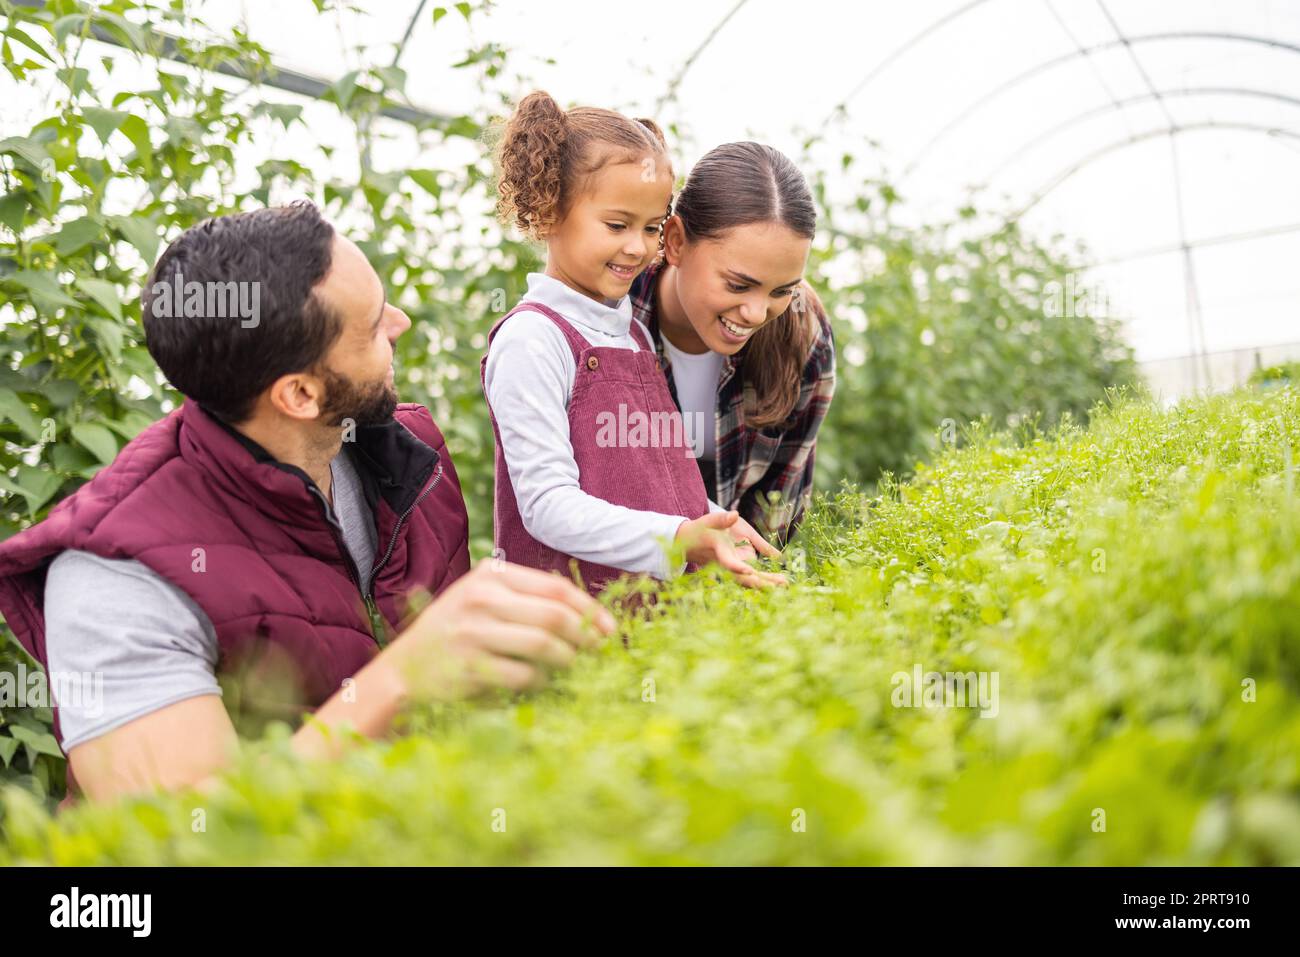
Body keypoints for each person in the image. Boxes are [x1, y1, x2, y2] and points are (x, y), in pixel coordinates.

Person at [0, 201, 614, 804]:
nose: (399, 323)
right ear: (298, 393)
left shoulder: (402, 455)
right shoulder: (116, 576)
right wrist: (401, 677)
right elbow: (175, 837)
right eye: (372, 325)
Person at [482, 91, 786, 595]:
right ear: (549, 208)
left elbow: (659, 477)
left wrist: (713, 522)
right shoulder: (533, 339)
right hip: (567, 615)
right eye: (617, 225)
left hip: (649, 618)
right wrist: (678, 537)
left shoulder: (634, 335)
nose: (638, 248)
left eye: (651, 228)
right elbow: (547, 506)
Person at [628, 142, 837, 545]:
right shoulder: (612, 316)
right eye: (739, 285)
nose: (757, 314)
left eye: (782, 290)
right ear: (675, 242)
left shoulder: (803, 329)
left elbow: (779, 507)